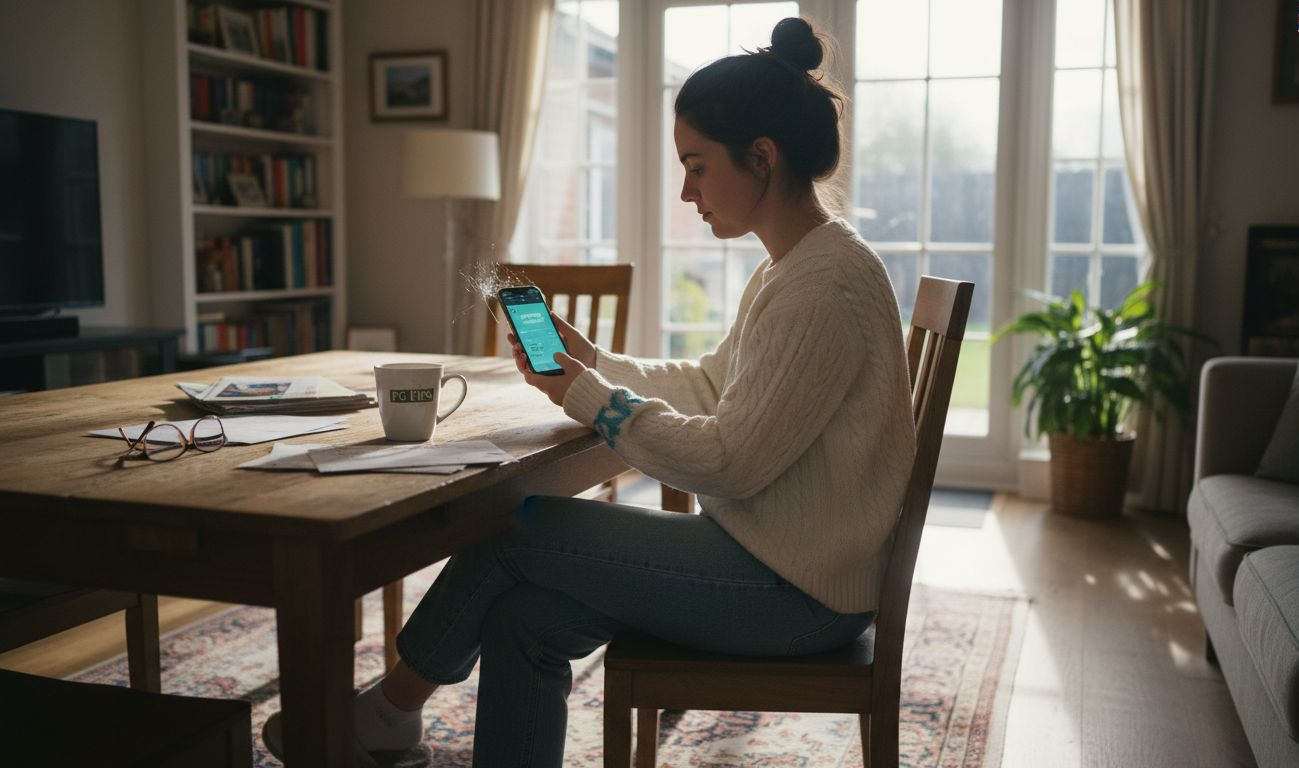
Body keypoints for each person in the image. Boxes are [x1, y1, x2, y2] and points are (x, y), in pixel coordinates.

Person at [263, 16, 915, 767]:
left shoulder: (823, 285)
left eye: (697, 166)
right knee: (523, 617)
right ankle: (391, 719)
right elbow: (711, 385)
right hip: (779, 561)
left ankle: (387, 713)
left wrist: (591, 396)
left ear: (762, 158)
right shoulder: (795, 266)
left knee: (514, 527)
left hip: (798, 594)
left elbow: (729, 463)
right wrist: (593, 362)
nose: (686, 191)